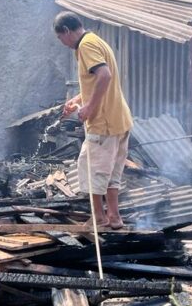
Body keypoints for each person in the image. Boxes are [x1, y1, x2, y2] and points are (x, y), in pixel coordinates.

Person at [54, 12, 133, 230]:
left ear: (67, 31)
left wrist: (89, 107)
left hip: (103, 123)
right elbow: (95, 80)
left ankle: (98, 219)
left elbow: (104, 76)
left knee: (91, 169)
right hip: (120, 120)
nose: (62, 43)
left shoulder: (85, 46)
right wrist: (79, 99)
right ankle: (114, 218)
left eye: (60, 38)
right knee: (112, 174)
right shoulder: (96, 41)